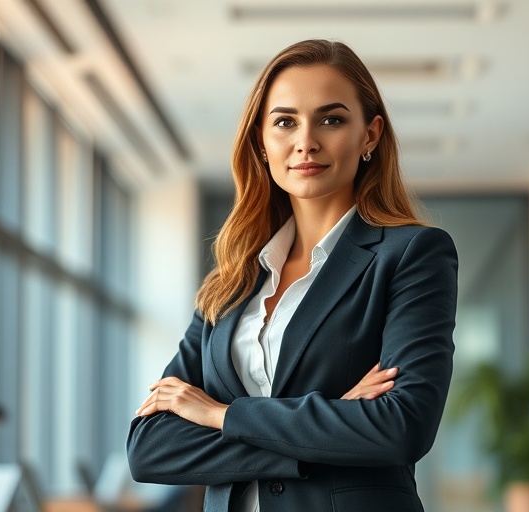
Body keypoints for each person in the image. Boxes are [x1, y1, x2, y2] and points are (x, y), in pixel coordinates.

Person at [127, 39, 458, 512]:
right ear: (261, 141)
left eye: (332, 119)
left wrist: (220, 415)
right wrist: (335, 423)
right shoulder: (233, 280)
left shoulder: (412, 254)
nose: (306, 140)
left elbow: (401, 427)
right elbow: (150, 449)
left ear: (370, 135)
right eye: (285, 121)